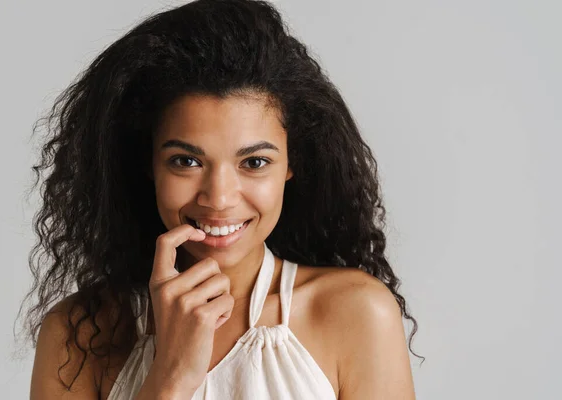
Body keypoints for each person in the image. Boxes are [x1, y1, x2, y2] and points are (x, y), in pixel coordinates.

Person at [21, 0, 421, 398]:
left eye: (255, 161)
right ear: (147, 165)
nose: (219, 198)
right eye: (186, 160)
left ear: (292, 164)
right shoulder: (80, 333)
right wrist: (172, 376)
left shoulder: (355, 313)